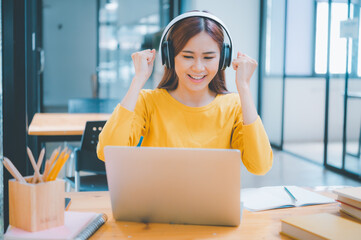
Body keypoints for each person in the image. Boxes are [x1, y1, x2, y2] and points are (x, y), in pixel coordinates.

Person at [97, 11, 273, 175]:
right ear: (169, 57)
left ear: (223, 59)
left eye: (208, 57)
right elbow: (108, 152)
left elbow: (260, 166)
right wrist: (138, 80)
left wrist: (244, 86)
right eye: (187, 56)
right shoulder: (148, 101)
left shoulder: (234, 106)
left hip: (211, 207)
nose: (198, 67)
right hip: (158, 205)